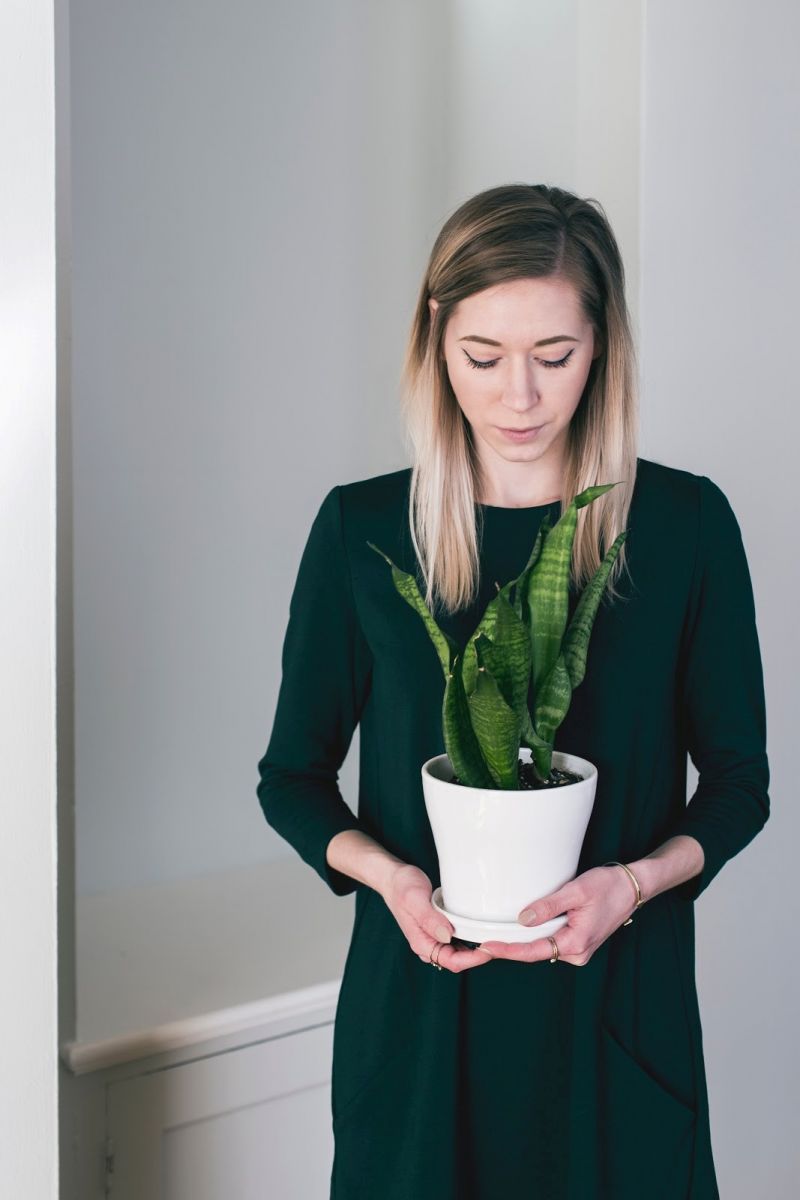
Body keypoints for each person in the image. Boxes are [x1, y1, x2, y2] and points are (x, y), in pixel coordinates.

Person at [256, 183, 770, 1199]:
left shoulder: (681, 527)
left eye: (554, 356)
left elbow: (738, 785)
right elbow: (292, 779)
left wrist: (626, 886)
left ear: (602, 347)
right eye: (482, 357)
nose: (517, 397)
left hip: (616, 1020)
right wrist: (393, 882)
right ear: (435, 343)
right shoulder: (362, 531)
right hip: (420, 1025)